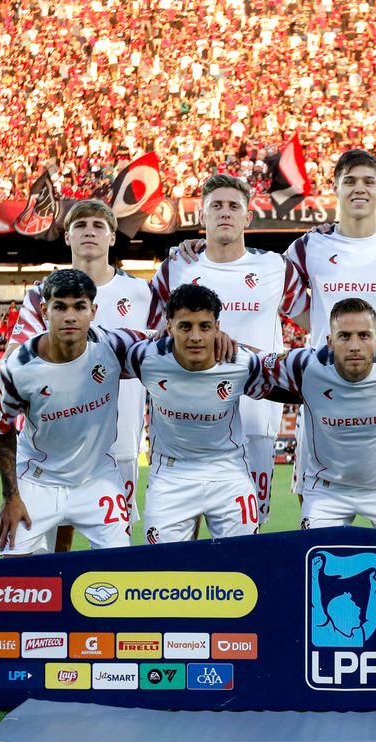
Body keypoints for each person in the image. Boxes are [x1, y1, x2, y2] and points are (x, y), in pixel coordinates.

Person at [152, 175, 306, 524]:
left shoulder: (276, 267)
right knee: (179, 533)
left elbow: (316, 320)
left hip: (255, 418)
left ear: (247, 217)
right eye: (216, 206)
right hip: (184, 420)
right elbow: (151, 333)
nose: (225, 213)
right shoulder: (175, 267)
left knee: (247, 529)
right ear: (201, 216)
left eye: (234, 206)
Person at [284, 150, 376, 496]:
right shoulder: (308, 246)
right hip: (323, 385)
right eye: (349, 181)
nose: (358, 189)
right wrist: (324, 329)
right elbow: (287, 298)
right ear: (335, 187)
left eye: (368, 181)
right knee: (316, 496)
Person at [10, 200, 152, 551]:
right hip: (55, 432)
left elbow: (163, 349)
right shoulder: (42, 293)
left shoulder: (143, 292)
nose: (90, 231)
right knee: (55, 526)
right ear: (67, 237)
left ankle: (99, 601)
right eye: (81, 225)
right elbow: (16, 356)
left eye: (99, 225)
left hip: (121, 432)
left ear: (113, 238)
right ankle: (60, 598)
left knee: (113, 536)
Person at [261, 297, 376, 532]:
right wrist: (222, 343)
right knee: (315, 562)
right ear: (329, 342)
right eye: (344, 336)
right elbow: (253, 365)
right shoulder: (305, 366)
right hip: (328, 491)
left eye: (364, 335)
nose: (355, 346)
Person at [0, 269, 143, 555]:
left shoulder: (115, 346)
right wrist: (10, 497)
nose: (70, 316)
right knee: (11, 576)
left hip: (97, 478)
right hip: (38, 479)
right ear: (44, 310)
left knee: (121, 567)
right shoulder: (17, 368)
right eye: (60, 306)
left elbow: (173, 345)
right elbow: (2, 433)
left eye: (80, 306)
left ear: (93, 311)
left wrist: (225, 341)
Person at [119, 283, 281, 543]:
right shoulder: (145, 357)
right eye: (185, 326)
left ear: (218, 328)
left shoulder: (240, 362)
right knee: (166, 572)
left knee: (243, 566)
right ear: (169, 327)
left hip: (228, 472)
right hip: (171, 475)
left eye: (205, 326)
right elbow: (94, 351)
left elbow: (296, 386)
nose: (195, 336)